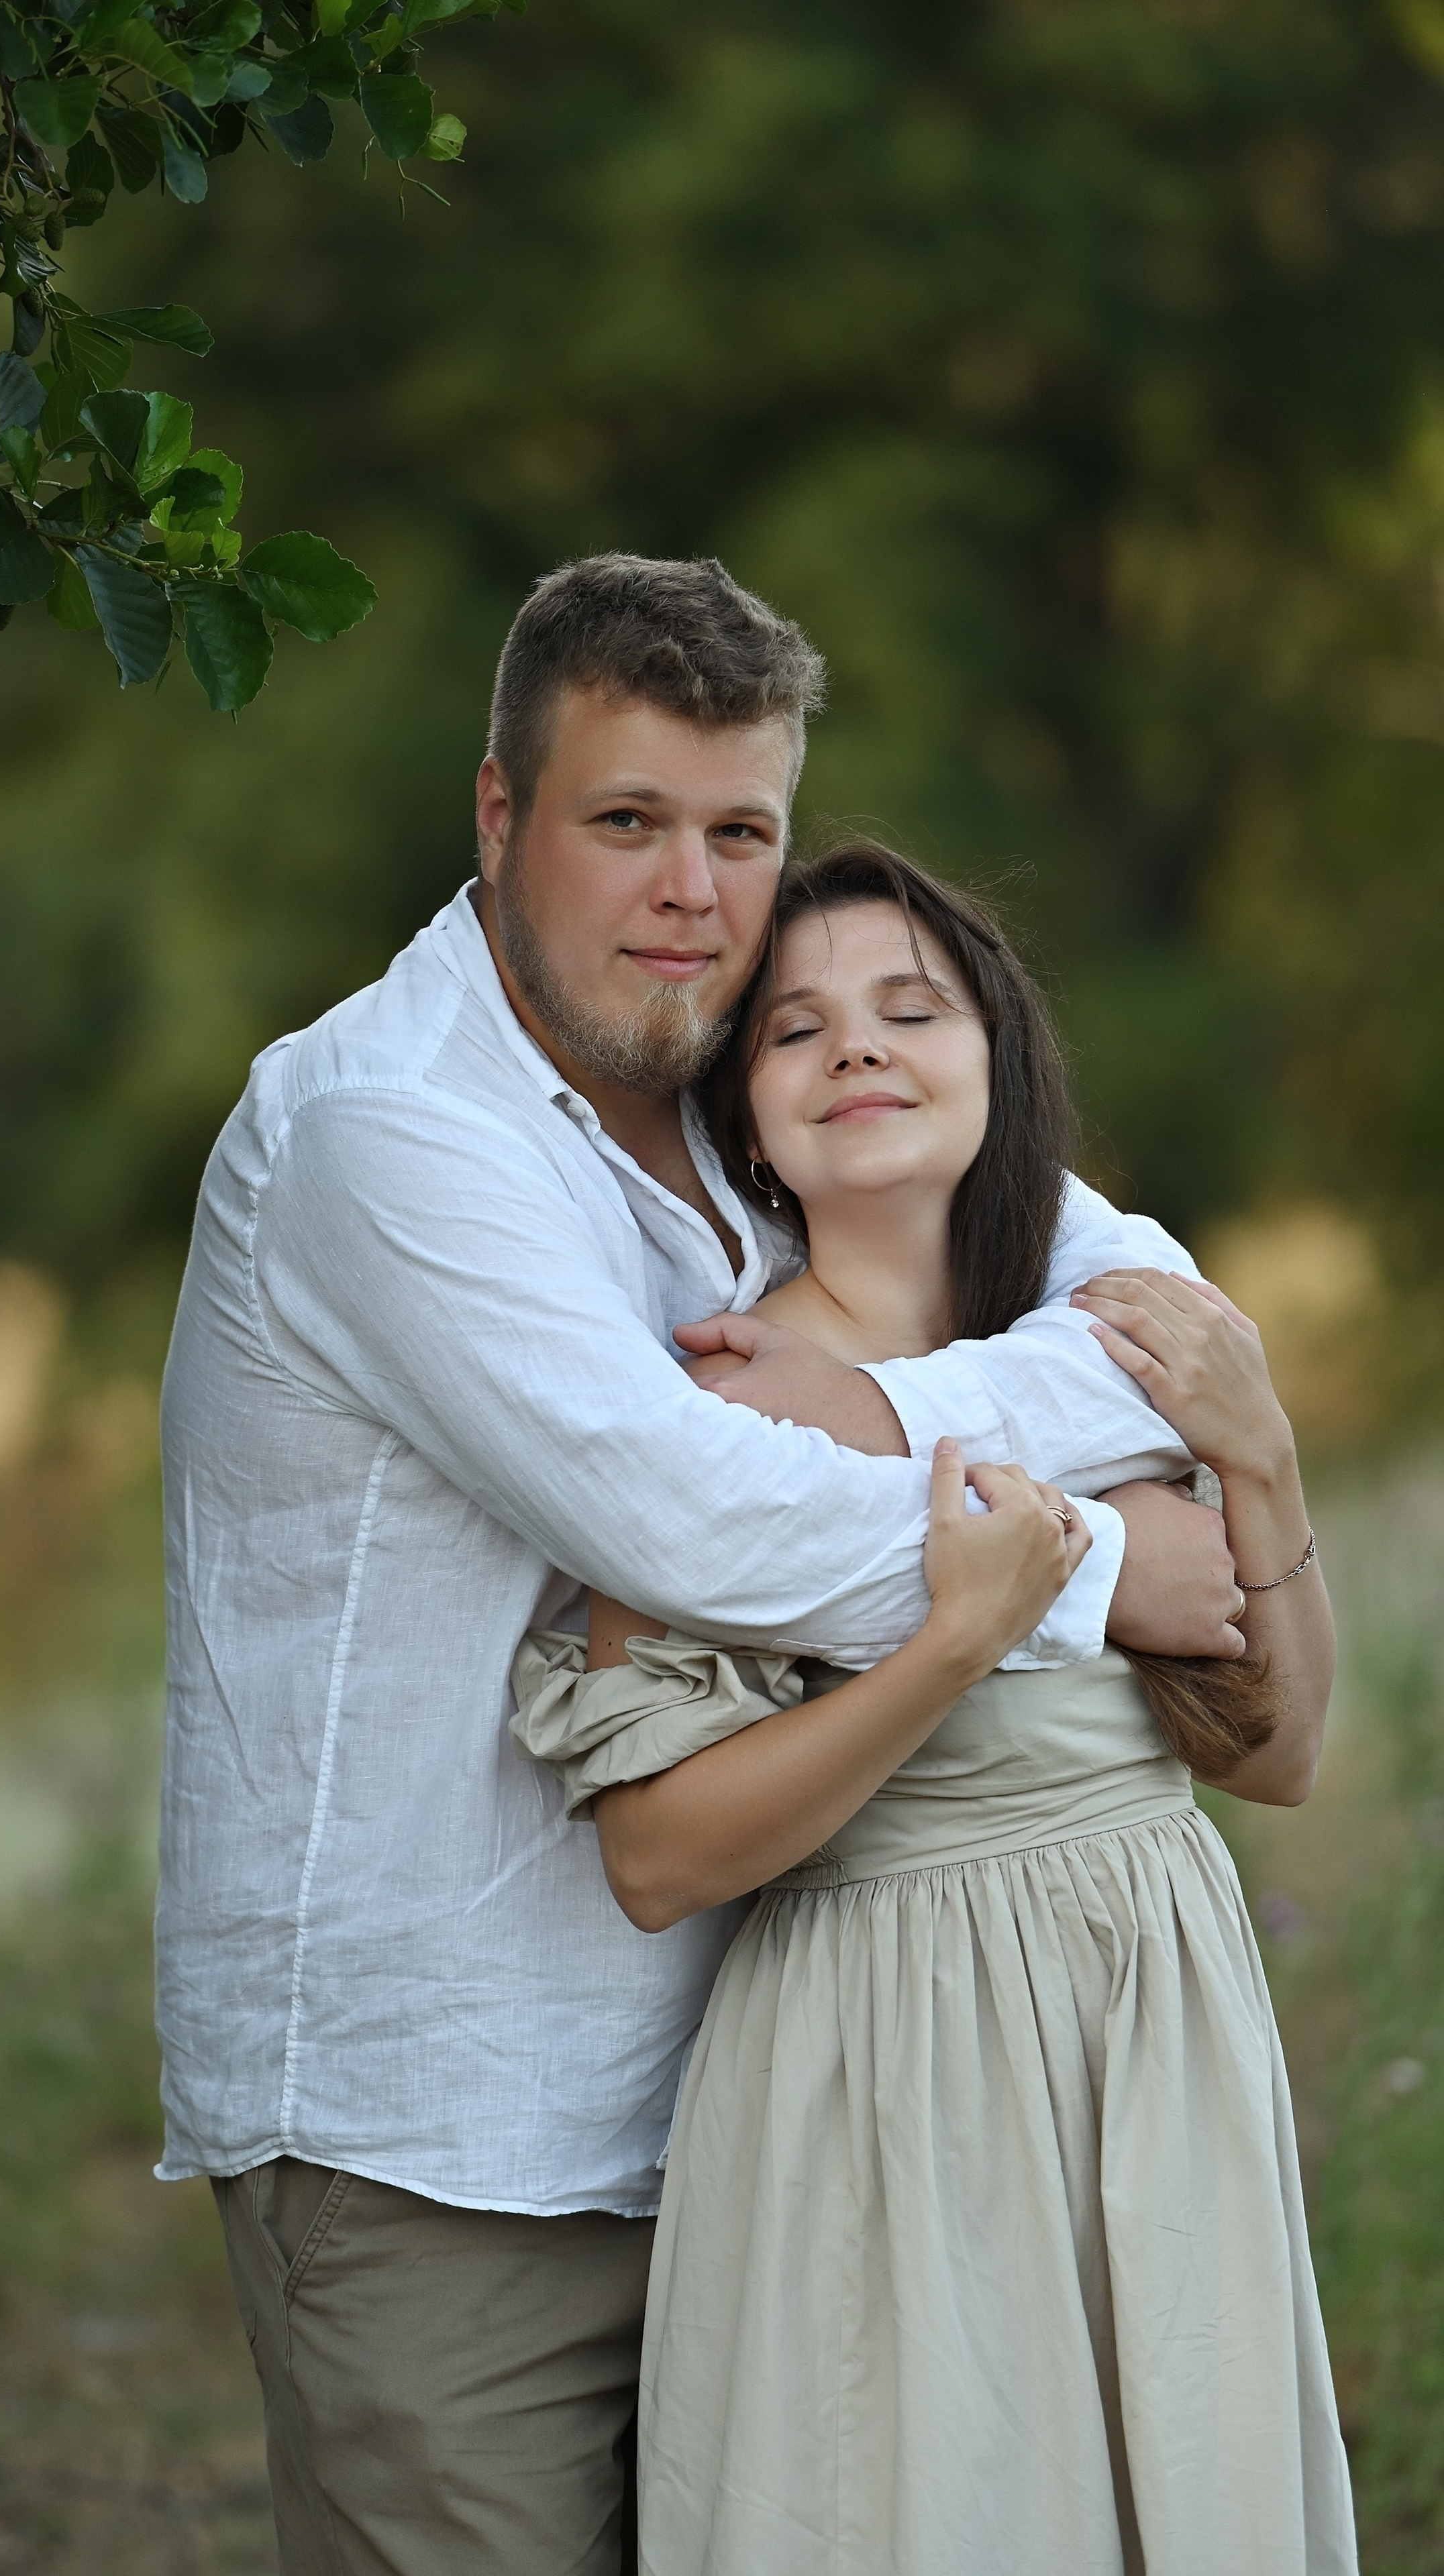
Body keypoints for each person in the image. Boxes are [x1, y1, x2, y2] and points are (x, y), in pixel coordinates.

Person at [156, 554, 1247, 2576]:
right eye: (627, 822)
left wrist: (881, 1419)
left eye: (740, 831)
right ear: (499, 820)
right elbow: (695, 1526)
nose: (694, 894)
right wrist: (1096, 1562)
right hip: (447, 2146)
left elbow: (1151, 1291)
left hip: (767, 2110)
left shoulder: (752, 1085)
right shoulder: (388, 1137)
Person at [515, 842, 1355, 2575]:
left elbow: (1278, 1757)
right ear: (748, 1119)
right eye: (797, 1030)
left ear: (1000, 1065)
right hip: (881, 2058)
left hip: (1154, 2019)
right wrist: (949, 1648)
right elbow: (661, 1858)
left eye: (913, 1010)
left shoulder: (1121, 1356)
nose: (860, 1051)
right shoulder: (714, 1407)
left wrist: (1261, 1462)